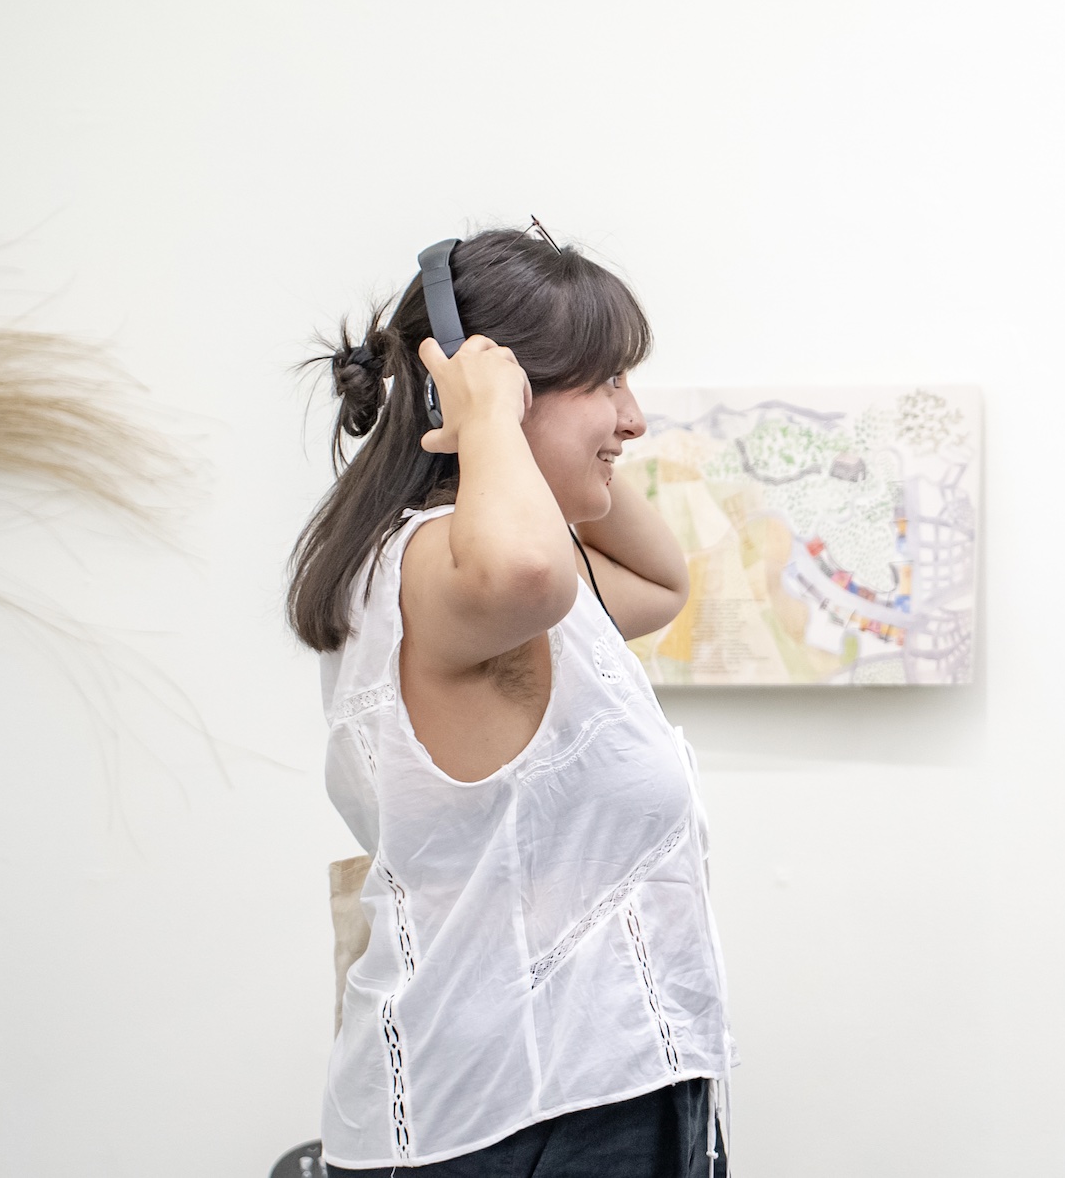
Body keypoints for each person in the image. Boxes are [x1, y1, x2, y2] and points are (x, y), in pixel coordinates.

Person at [289, 227, 733, 1176]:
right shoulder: (435, 569)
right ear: (502, 386)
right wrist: (487, 417)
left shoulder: (512, 575)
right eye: (608, 382)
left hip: (604, 1092)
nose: (634, 417)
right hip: (521, 1123)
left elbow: (660, 583)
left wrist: (548, 457)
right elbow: (530, 568)